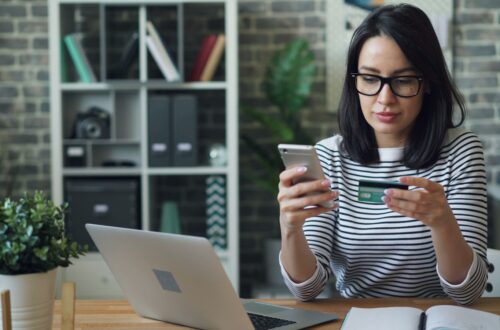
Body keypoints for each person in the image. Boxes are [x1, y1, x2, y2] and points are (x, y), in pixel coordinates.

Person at [277, 3, 488, 305]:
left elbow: (468, 292)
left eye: (403, 80)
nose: (384, 99)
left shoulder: (461, 151)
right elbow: (306, 290)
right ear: (355, 82)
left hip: (437, 319)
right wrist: (290, 227)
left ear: (427, 82)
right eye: (370, 79)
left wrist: (442, 223)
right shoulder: (329, 157)